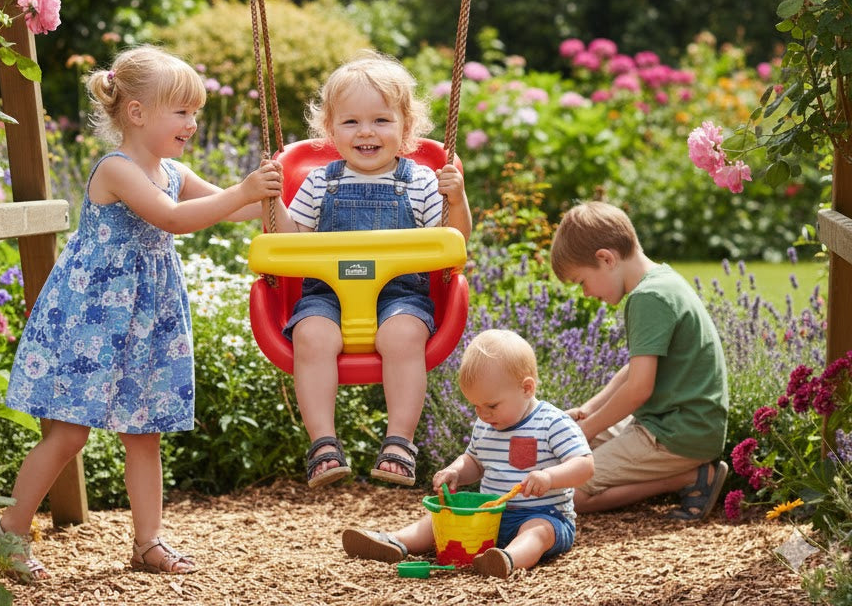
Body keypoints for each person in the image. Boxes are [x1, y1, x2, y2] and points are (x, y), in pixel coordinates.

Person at [0, 46, 282, 581]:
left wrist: (273, 197)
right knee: (69, 433)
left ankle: (148, 543)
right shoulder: (117, 169)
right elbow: (172, 218)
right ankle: (10, 530)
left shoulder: (174, 171)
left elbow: (235, 208)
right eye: (183, 112)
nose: (193, 124)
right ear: (137, 113)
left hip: (146, 320)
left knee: (144, 431)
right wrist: (243, 190)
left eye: (195, 113)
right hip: (92, 319)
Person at [264, 52, 472, 489]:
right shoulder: (319, 182)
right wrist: (273, 200)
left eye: (380, 120)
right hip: (327, 297)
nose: (366, 132)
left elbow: (454, 241)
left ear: (406, 128)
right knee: (311, 336)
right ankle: (323, 444)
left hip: (400, 297)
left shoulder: (420, 182)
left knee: (403, 336)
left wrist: (456, 200)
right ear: (330, 130)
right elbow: (288, 241)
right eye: (351, 122)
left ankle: (400, 442)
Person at [342, 329, 593, 578]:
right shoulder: (486, 424)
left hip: (545, 515)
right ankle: (396, 541)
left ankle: (507, 559)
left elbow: (584, 465)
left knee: (538, 531)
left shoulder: (552, 423)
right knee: (442, 517)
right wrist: (456, 471)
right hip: (490, 516)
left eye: (491, 405)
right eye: (475, 406)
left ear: (526, 389)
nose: (482, 414)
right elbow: (474, 461)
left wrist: (549, 477)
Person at [549, 200, 730, 521]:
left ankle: (692, 477)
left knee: (568, 492)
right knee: (560, 458)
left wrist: (587, 429)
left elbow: (638, 390)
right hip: (673, 422)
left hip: (679, 434)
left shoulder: (648, 298)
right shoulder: (661, 280)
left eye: (581, 282)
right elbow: (635, 370)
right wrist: (588, 411)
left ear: (606, 259)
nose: (586, 293)